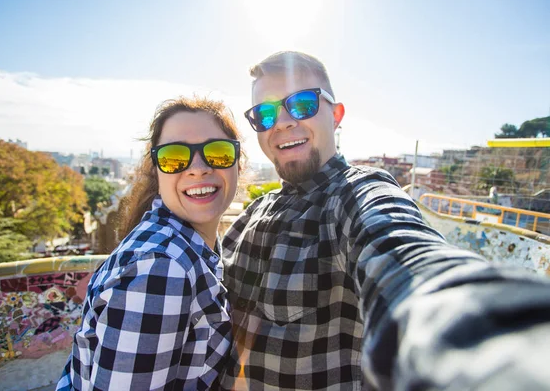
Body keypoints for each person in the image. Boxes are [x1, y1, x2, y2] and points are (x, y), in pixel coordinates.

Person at [218, 51, 550, 390]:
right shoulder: (251, 214)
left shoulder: (354, 193)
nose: (283, 121)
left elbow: (403, 253)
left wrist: (486, 339)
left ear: (336, 115)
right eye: (265, 113)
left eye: (302, 104)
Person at [57, 96, 242, 390]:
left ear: (237, 165)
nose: (198, 168)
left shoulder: (188, 246)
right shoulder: (160, 267)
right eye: (174, 157)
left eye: (218, 152)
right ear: (156, 172)